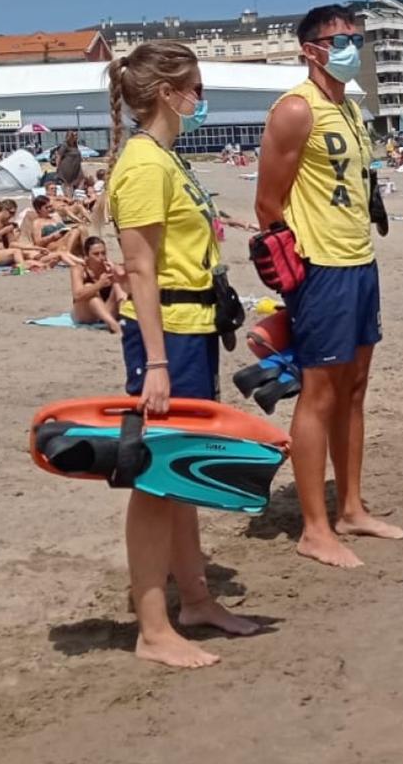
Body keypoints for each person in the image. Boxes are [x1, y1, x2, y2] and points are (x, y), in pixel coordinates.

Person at [102, 41, 260, 666]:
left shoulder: (167, 161)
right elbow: (141, 270)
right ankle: (153, 628)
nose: (201, 99)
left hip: (193, 326)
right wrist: (159, 364)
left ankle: (195, 599)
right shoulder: (143, 166)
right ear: (168, 93)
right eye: (196, 88)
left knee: (182, 470)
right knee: (155, 479)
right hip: (166, 336)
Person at [254, 4, 402, 569]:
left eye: (356, 37)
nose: (350, 46)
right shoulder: (296, 109)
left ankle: (352, 508)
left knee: (356, 389)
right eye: (338, 38)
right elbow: (268, 202)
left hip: (359, 262)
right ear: (309, 48)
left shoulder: (352, 110)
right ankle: (314, 527)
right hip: (320, 269)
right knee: (319, 393)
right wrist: (292, 270)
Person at [69, 235, 129, 335]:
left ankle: (124, 317)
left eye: (103, 253)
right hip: (85, 314)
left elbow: (126, 280)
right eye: (96, 254)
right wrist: (99, 284)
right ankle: (113, 325)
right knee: (88, 287)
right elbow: (77, 295)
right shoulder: (79, 269)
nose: (101, 257)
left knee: (117, 284)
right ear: (87, 256)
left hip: (106, 312)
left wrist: (115, 271)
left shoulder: (109, 267)